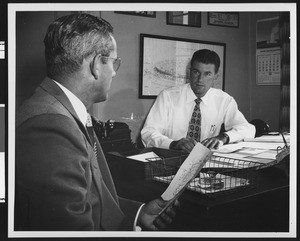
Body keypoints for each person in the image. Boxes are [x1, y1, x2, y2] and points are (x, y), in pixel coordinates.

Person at [15, 13, 179, 231]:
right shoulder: (51, 126)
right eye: (114, 62)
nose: (114, 72)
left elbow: (92, 199)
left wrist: (138, 213)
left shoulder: (61, 111)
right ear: (95, 65)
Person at [141, 49, 255, 153]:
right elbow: (148, 133)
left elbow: (248, 129)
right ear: (189, 72)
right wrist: (173, 144)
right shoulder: (167, 97)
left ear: (215, 76)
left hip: (205, 162)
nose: (200, 79)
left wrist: (223, 137)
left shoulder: (224, 100)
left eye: (207, 74)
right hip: (169, 158)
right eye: (196, 72)